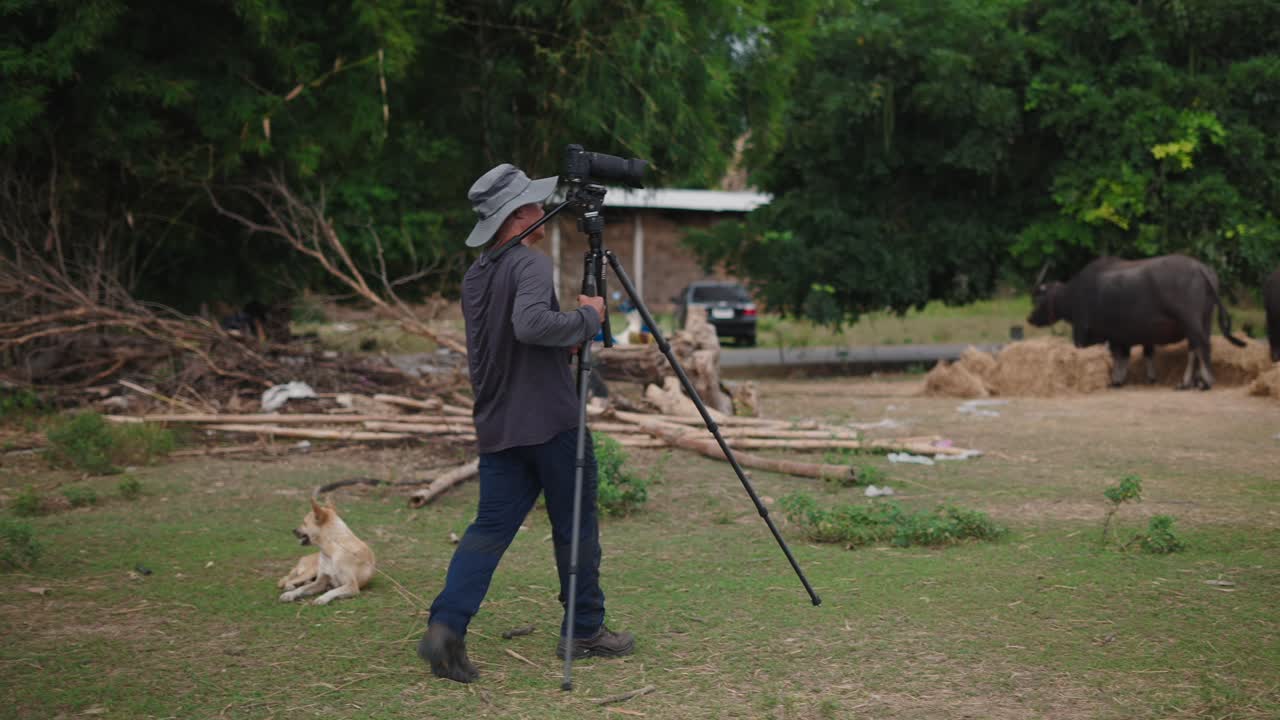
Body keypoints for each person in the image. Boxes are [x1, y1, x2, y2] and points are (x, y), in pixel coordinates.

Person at [418, 163, 636, 683]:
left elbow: (508, 341)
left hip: (498, 424)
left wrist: (571, 332)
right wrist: (588, 316)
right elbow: (531, 325)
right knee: (575, 525)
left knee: (488, 530)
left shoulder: (477, 273)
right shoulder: (529, 265)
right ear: (518, 216)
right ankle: (584, 627)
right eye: (535, 205)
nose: (545, 210)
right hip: (552, 423)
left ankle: (445, 627)